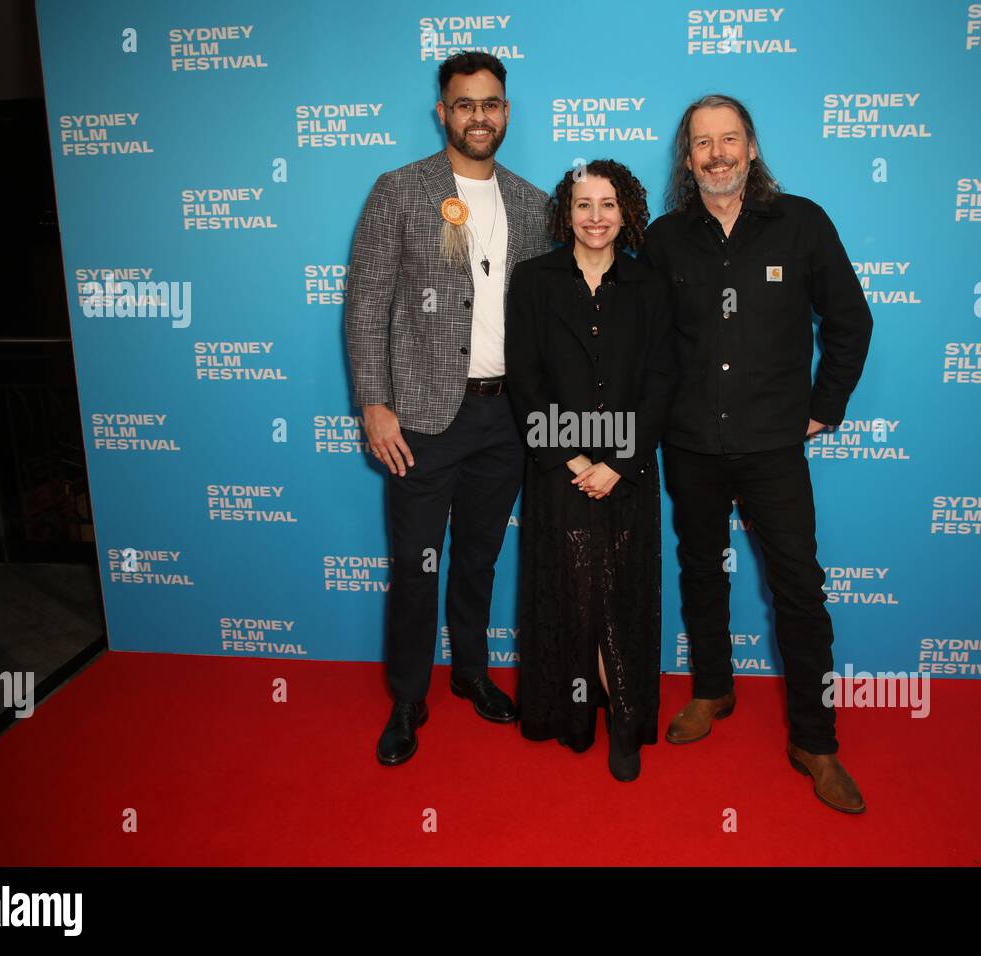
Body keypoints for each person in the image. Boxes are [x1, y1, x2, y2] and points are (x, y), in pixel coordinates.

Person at [638, 94, 873, 812]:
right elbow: (643, 342)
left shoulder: (800, 222)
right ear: (687, 158)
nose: (717, 153)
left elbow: (850, 321)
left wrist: (823, 410)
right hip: (691, 444)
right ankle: (713, 689)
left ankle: (815, 739)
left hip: (775, 445)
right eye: (703, 142)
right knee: (701, 572)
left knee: (799, 589)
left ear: (752, 147)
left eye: (729, 138)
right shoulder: (664, 237)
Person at [344, 51, 552, 766]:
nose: (479, 116)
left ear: (506, 112)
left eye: (491, 103)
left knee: (480, 558)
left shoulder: (532, 203)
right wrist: (375, 404)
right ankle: (408, 697)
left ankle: (469, 672)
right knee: (415, 563)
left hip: (506, 418)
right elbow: (367, 305)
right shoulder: (399, 191)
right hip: (425, 419)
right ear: (443, 112)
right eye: (465, 104)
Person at [505, 160, 677, 781]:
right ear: (566, 213)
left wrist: (619, 463)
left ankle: (625, 720)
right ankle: (576, 716)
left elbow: (662, 382)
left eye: (608, 204)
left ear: (626, 212)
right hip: (560, 466)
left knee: (622, 589)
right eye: (584, 204)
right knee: (577, 591)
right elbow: (524, 381)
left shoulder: (650, 287)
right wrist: (576, 459)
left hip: (628, 469)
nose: (596, 217)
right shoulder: (533, 281)